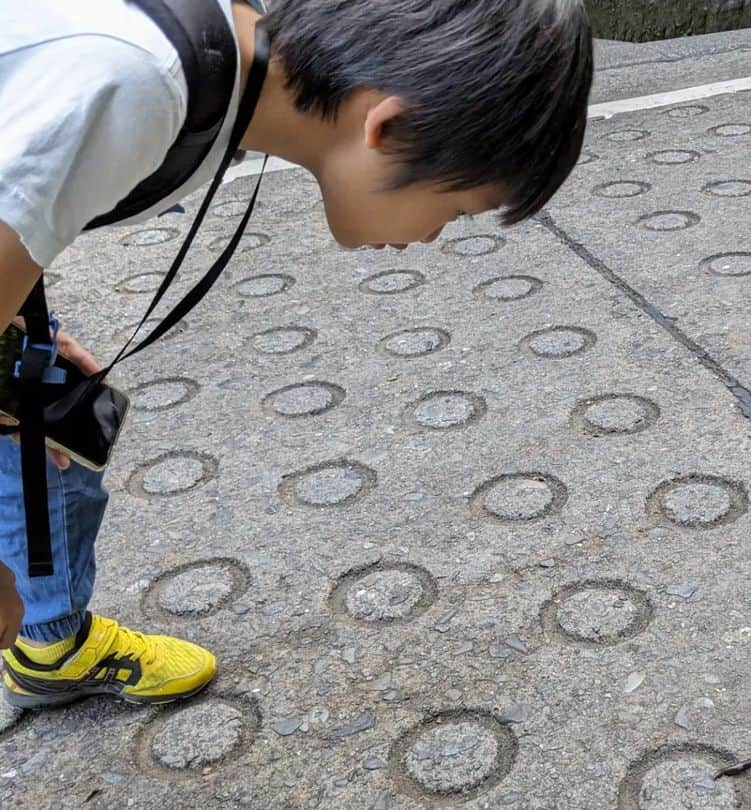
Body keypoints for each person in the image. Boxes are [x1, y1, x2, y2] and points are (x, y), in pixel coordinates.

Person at [0, 0, 593, 709]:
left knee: (44, 442)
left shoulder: (219, 64)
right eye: (459, 210)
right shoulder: (140, 82)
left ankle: (53, 647)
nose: (436, 237)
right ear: (390, 128)